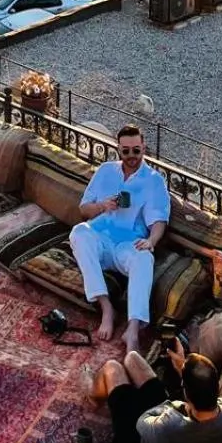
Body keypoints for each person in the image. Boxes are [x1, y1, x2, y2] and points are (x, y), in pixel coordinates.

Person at [70, 124, 170, 347]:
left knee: (145, 257)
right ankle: (107, 308)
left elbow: (159, 220)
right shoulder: (105, 170)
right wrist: (102, 206)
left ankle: (132, 328)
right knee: (79, 232)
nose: (131, 156)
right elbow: (83, 210)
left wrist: (151, 241)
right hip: (100, 238)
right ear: (118, 149)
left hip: (127, 244)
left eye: (136, 150)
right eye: (126, 151)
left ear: (144, 148)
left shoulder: (154, 181)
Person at [88, 341, 222, 443]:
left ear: (186, 395)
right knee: (132, 358)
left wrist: (173, 405)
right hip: (170, 426)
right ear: (217, 385)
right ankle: (118, 388)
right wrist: (182, 367)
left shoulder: (168, 427)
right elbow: (200, 397)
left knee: (112, 368)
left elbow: (142, 421)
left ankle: (92, 393)